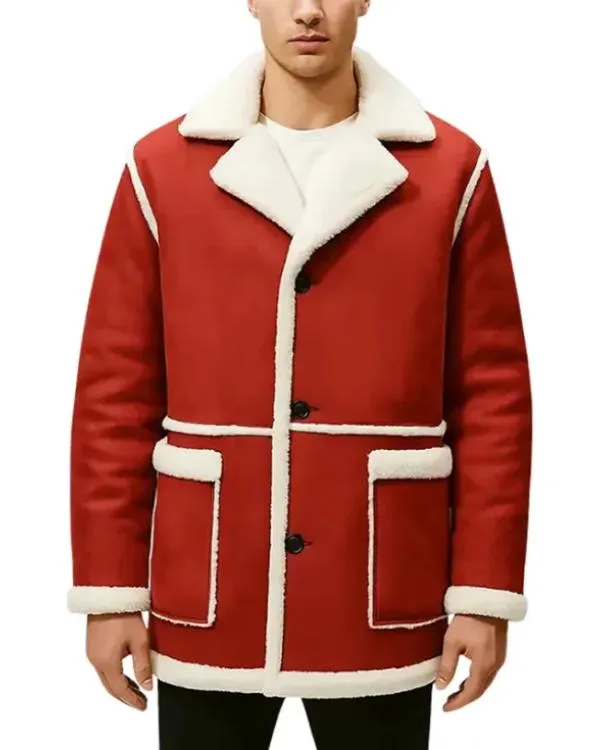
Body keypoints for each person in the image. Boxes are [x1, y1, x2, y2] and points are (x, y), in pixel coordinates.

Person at [66, 1, 533, 747]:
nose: (308, 10)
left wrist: (483, 593)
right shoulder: (161, 168)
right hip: (213, 585)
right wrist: (110, 592)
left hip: (378, 585)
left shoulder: (450, 170)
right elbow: (113, 393)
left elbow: (493, 395)